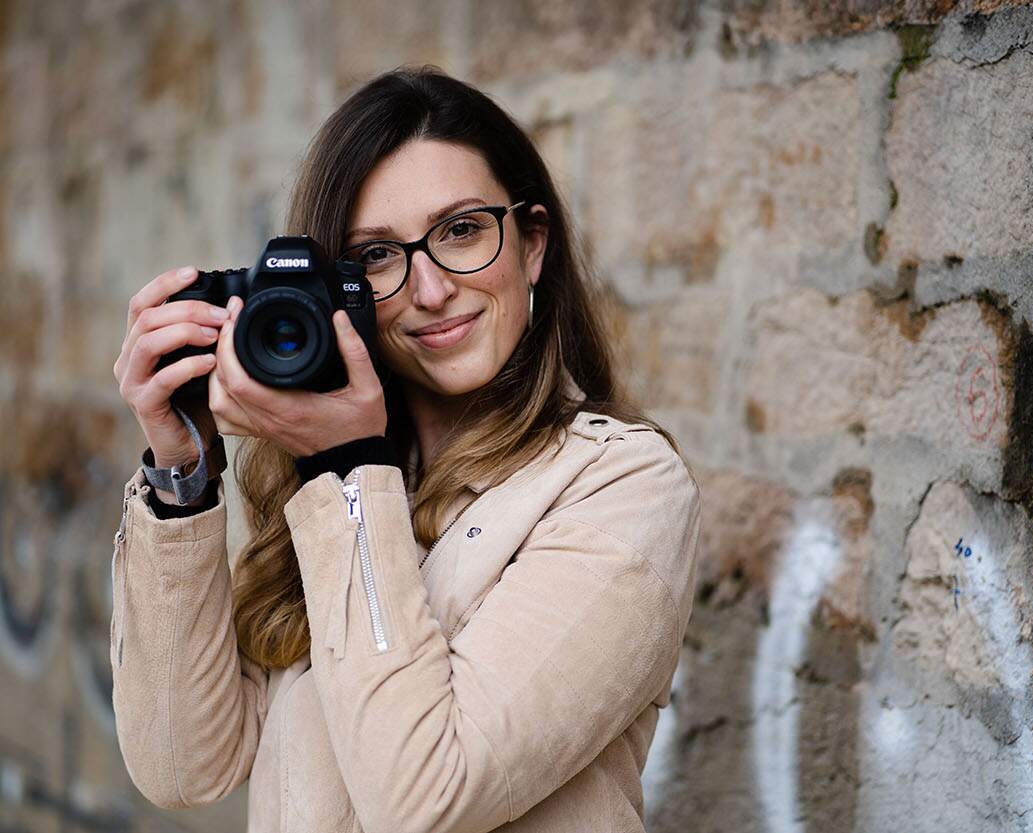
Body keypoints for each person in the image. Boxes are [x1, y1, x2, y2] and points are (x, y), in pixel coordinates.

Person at [109, 64, 702, 833]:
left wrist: (344, 470)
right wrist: (180, 476)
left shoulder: (619, 485)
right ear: (336, 291)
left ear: (530, 245)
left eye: (460, 230)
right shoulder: (322, 497)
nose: (428, 290)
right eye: (377, 257)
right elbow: (182, 766)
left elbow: (424, 798)